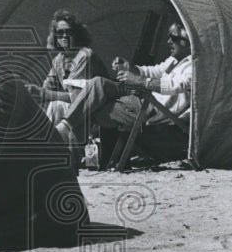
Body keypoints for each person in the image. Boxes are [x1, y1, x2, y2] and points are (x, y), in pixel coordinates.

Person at [54, 21, 193, 159]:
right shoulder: (174, 60)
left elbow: (176, 85)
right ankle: (67, 134)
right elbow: (154, 71)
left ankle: (70, 151)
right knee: (94, 87)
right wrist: (130, 67)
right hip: (140, 98)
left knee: (88, 103)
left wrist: (138, 80)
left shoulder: (193, 66)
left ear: (187, 42)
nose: (168, 41)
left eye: (173, 38)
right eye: (169, 36)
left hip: (151, 108)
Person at [24, 9, 94, 125]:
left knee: (57, 106)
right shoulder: (58, 60)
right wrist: (32, 91)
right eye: (60, 33)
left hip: (91, 113)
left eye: (68, 32)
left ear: (76, 34)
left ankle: (50, 140)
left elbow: (78, 98)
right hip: (74, 112)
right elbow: (47, 87)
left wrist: (42, 93)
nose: (64, 36)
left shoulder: (85, 55)